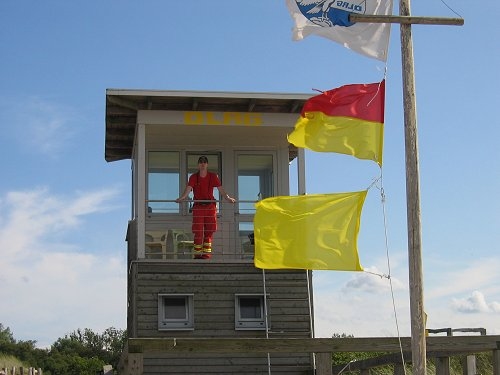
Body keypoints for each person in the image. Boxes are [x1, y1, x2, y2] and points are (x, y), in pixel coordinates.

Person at [176, 156, 235, 259]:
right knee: (198, 232)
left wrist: (228, 198)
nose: (202, 164)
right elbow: (188, 189)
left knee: (209, 231)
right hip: (198, 207)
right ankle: (197, 255)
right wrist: (182, 198)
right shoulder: (194, 177)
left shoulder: (213, 176)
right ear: (198, 165)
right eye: (201, 162)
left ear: (207, 164)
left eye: (204, 162)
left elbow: (221, 190)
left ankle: (206, 256)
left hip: (210, 207)